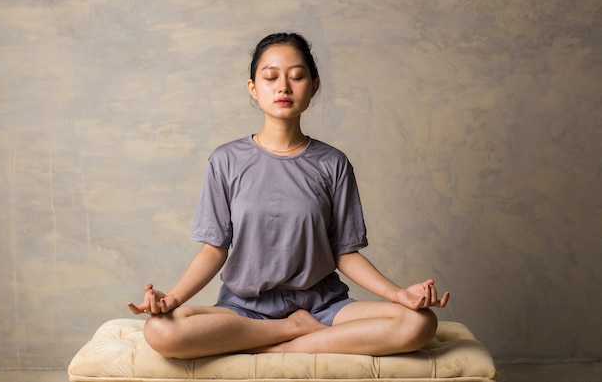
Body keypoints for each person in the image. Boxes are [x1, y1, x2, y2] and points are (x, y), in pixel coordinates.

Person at [128, 32, 449, 359]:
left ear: (314, 86)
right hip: (245, 310)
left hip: (324, 306)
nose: (283, 86)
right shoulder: (225, 160)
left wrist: (399, 295)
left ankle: (280, 344)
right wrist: (173, 300)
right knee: (161, 330)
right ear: (253, 87)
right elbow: (214, 249)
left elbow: (345, 254)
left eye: (296, 77)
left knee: (418, 323)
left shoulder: (332, 163)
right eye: (270, 77)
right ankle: (290, 331)